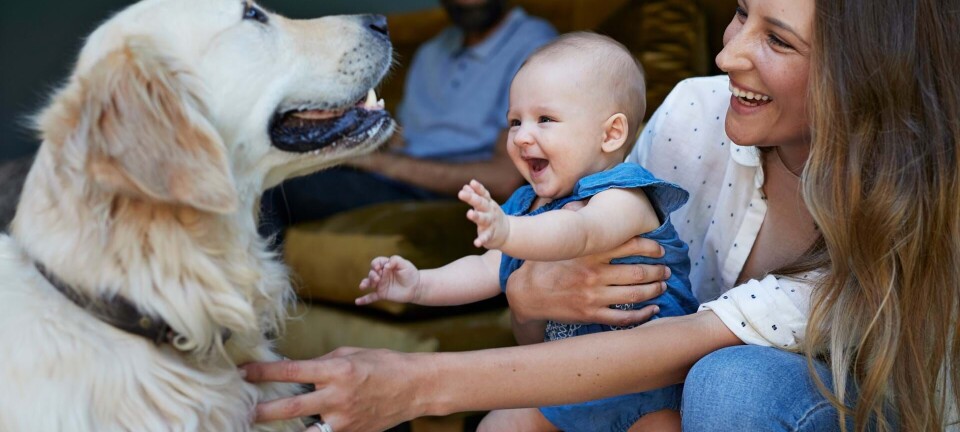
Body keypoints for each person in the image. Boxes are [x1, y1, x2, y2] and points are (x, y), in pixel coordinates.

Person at [243, 0, 960, 431]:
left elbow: (685, 342)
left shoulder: (902, 205)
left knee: (734, 382)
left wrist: (413, 383)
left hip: (807, 408)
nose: (727, 50)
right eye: (742, 12)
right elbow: (552, 311)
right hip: (649, 382)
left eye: (777, 39)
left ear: (861, 74)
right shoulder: (693, 114)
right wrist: (526, 292)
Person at [354, 33, 698, 432]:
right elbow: (486, 270)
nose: (521, 136)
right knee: (496, 425)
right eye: (514, 121)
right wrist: (418, 286)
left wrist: (509, 230)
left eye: (545, 120)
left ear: (610, 134)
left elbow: (579, 232)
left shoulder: (625, 195)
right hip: (567, 385)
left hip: (648, 388)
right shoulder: (526, 206)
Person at [259, 0, 557, 242]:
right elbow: (402, 137)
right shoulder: (431, 52)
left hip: (445, 194)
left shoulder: (535, 44)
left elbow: (504, 178)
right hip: (389, 178)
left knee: (276, 188)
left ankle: (246, 308)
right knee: (271, 171)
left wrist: (378, 163)